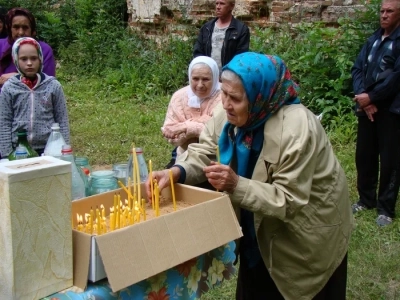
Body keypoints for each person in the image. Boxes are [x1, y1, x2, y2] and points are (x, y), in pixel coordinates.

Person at [147, 53, 353, 300]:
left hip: (304, 234)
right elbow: (205, 149)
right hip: (256, 225)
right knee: (255, 281)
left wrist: (236, 184)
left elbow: (289, 200)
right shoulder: (228, 115)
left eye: (235, 98)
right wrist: (176, 172)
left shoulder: (298, 129)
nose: (225, 103)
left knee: (296, 287)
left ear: (260, 96)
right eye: (223, 93)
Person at [351, 0, 400, 227]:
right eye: (381, 11)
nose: (384, 15)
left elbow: (396, 77)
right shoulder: (373, 39)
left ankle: (386, 209)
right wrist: (364, 97)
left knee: (390, 160)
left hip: (391, 110)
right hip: (367, 109)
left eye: (389, 11)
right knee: (365, 156)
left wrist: (373, 97)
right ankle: (366, 199)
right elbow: (358, 68)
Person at [0, 37, 70, 158]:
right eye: (23, 59)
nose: (29, 63)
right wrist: (7, 155)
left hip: (49, 149)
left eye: (33, 58)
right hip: (19, 150)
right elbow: (4, 122)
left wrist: (65, 151)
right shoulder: (9, 87)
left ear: (40, 59)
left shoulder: (53, 86)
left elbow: (62, 120)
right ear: (16, 60)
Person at [162, 56, 221, 163]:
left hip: (215, 159)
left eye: (206, 79)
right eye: (195, 78)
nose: (200, 85)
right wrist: (203, 125)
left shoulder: (224, 97)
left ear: (216, 78)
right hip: (184, 157)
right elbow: (170, 135)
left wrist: (186, 127)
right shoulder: (179, 97)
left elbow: (218, 136)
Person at [0, 8, 56, 90]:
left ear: (32, 30)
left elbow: (49, 83)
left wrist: (17, 78)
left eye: (25, 28)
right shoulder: (1, 45)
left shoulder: (44, 50)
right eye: (16, 27)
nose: (21, 32)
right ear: (9, 28)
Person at [193, 0, 250, 74]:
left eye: (222, 4)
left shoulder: (241, 29)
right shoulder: (207, 28)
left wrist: (228, 75)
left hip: (229, 78)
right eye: (217, 3)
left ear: (231, 6)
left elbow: (241, 58)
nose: (218, 7)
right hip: (208, 76)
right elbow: (198, 53)